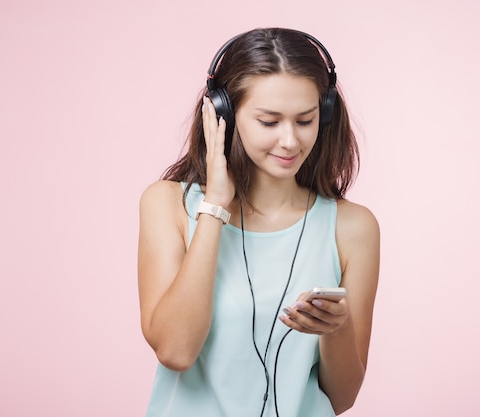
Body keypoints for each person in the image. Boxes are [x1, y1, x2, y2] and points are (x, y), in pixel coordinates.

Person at [138, 27, 380, 417]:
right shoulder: (169, 204)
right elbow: (176, 351)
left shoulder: (353, 228)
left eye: (305, 120)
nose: (290, 141)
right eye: (269, 122)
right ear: (223, 115)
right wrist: (215, 206)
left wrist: (336, 329)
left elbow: (343, 398)